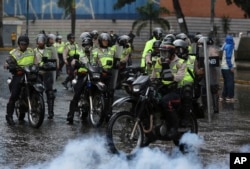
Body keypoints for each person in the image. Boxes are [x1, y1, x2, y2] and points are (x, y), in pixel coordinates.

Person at [4, 35, 35, 125]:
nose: (23, 46)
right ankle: (9, 116)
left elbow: (36, 61)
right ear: (19, 44)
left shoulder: (31, 51)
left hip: (30, 74)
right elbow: (7, 61)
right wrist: (8, 65)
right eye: (22, 44)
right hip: (19, 75)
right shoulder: (14, 52)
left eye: (25, 44)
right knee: (14, 95)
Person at [66, 32, 92, 124]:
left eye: (88, 45)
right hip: (82, 75)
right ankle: (70, 115)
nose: (86, 46)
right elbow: (73, 61)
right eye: (85, 45)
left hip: (93, 75)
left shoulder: (95, 52)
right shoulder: (80, 52)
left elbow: (100, 62)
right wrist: (75, 63)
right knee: (77, 94)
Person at [34, 33, 59, 119]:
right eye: (39, 41)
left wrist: (52, 66)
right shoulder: (33, 51)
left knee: (50, 92)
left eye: (42, 41)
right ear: (37, 42)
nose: (40, 42)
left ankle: (50, 112)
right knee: (37, 92)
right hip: (37, 73)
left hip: (48, 73)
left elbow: (54, 60)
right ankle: (36, 110)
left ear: (45, 41)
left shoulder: (50, 50)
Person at [220, 35, 236, 102]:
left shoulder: (225, 45)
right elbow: (228, 58)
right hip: (227, 68)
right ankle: (230, 97)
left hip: (223, 67)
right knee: (230, 83)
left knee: (226, 82)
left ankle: (223, 96)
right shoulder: (229, 46)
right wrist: (231, 67)